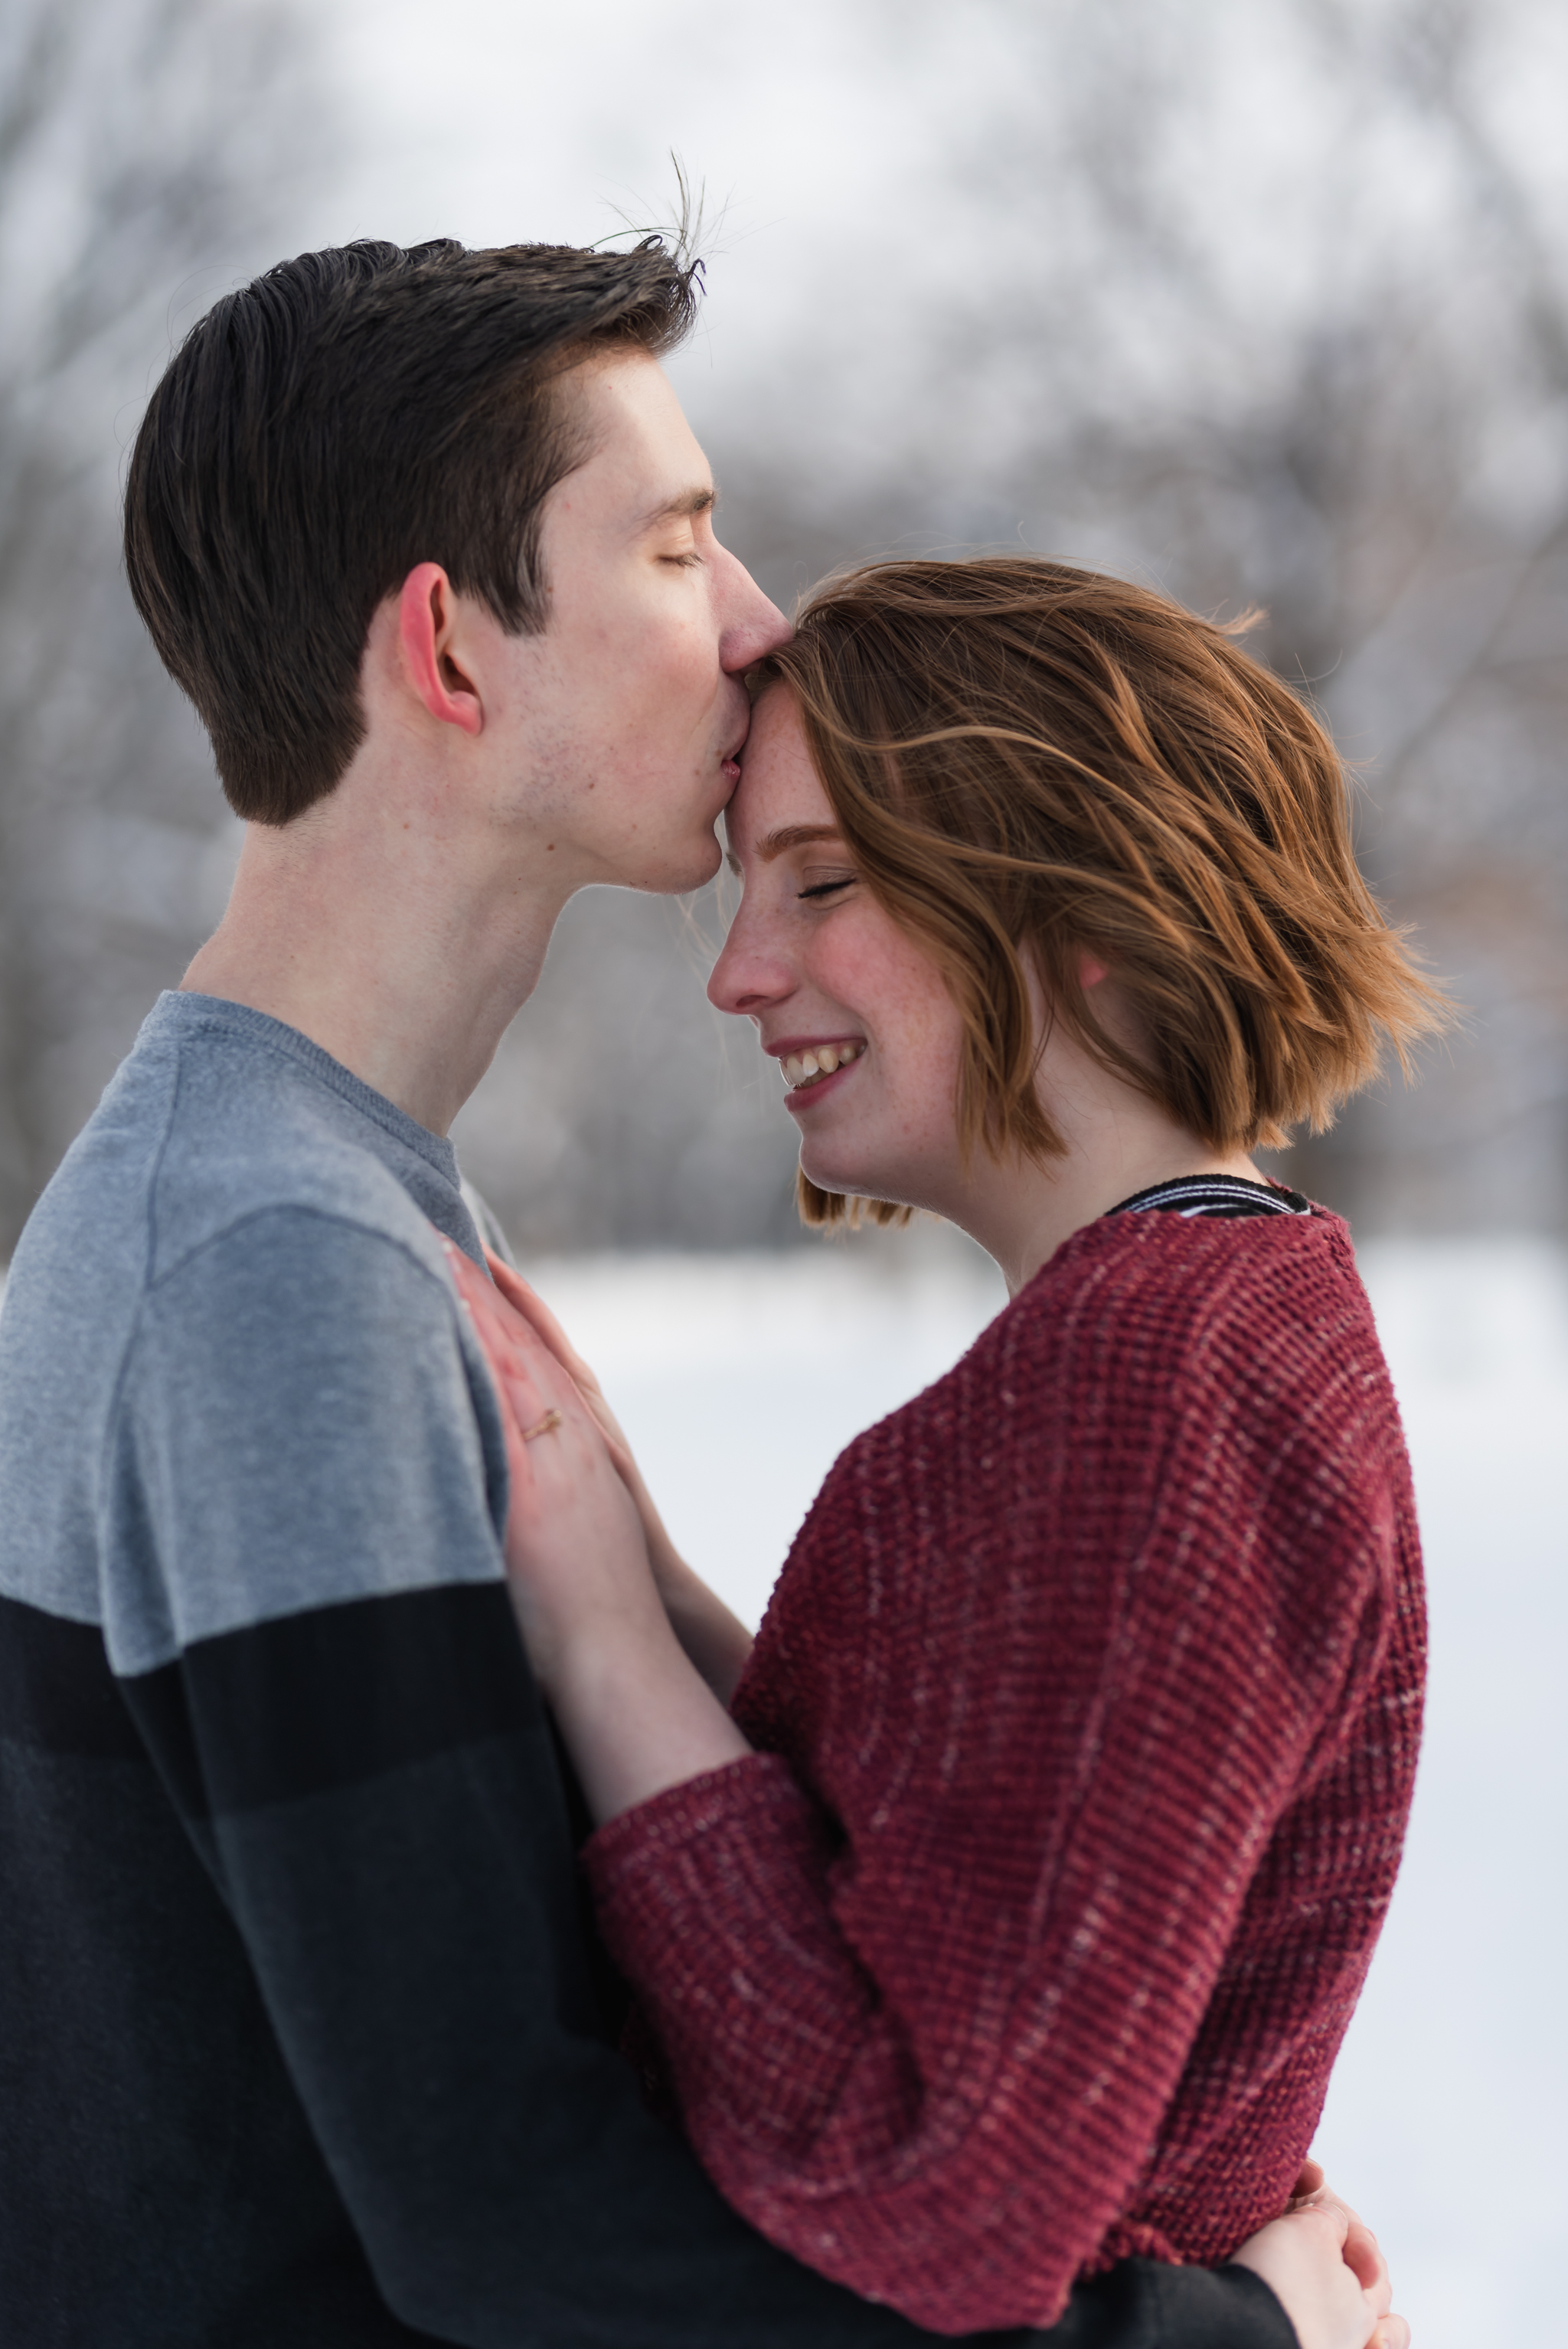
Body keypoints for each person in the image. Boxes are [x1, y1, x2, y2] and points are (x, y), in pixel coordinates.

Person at [0, 235, 1398, 2349]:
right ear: (453, 657)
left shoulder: (338, 1206)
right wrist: (1227, 2332)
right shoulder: (273, 1260)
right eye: (676, 546)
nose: (754, 623)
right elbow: (515, 2222)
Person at [449, 559, 1443, 2340]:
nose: (738, 975)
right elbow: (999, 1853)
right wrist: (669, 1601)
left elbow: (935, 2181)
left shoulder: (1153, 1381)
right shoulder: (1220, 1315)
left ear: (1088, 898)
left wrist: (604, 1647)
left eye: (821, 880)